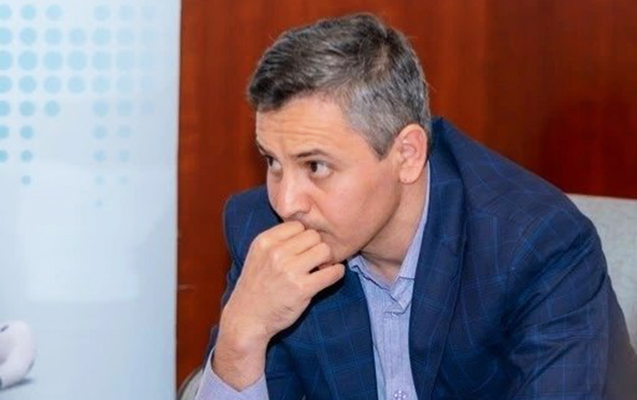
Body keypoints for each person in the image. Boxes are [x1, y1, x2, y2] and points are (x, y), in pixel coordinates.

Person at [195, 13, 636, 400]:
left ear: (406, 154)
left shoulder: (536, 245)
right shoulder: (264, 233)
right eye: (272, 161)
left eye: (316, 166)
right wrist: (239, 339)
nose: (287, 201)